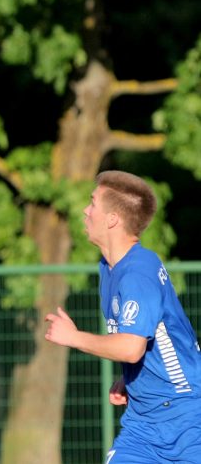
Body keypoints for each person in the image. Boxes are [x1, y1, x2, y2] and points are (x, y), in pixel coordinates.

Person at [45, 171, 201, 464]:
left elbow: (131, 347)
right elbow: (146, 338)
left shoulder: (138, 273)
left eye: (93, 203)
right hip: (143, 423)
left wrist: (74, 337)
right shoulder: (110, 266)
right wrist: (134, 380)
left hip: (187, 420)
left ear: (112, 219)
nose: (85, 210)